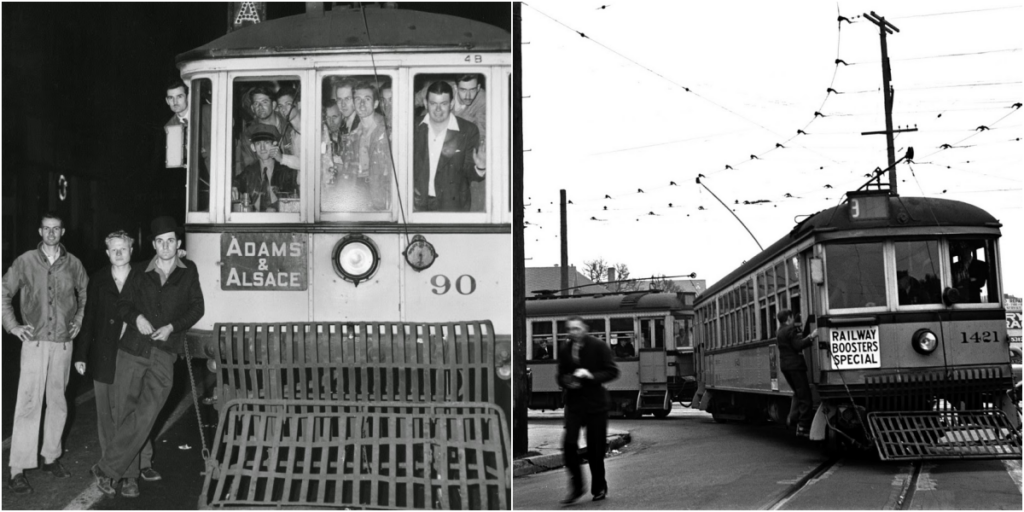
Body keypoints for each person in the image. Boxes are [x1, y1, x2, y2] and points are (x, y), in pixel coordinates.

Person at [92, 216, 205, 498]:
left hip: (165, 353)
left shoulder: (188, 271)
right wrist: (138, 317)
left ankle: (106, 468)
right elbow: (123, 305)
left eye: (170, 240)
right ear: (154, 244)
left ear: (177, 244)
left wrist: (172, 327)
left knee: (146, 414)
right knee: (127, 413)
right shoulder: (140, 271)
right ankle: (128, 476)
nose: (165, 246)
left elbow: (197, 307)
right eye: (160, 241)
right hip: (133, 350)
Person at [2, 212, 88, 494]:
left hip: (63, 343)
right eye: (46, 228)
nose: (51, 233)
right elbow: (3, 291)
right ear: (40, 231)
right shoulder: (25, 261)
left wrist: (78, 320)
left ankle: (51, 457)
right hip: (35, 342)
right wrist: (13, 326)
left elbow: (86, 294)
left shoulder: (73, 264)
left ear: (62, 232)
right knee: (29, 403)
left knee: (58, 402)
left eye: (56, 229)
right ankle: (17, 469)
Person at [73, 231, 161, 495]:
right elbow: (88, 319)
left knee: (132, 413)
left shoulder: (144, 276)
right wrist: (80, 354)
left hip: (134, 354)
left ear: (132, 251)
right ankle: (113, 469)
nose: (119, 253)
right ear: (107, 253)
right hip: (104, 355)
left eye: (123, 248)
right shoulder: (98, 279)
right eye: (114, 250)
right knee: (106, 417)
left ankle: (134, 470)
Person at [557, 317, 619, 504]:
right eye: (570, 329)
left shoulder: (598, 346)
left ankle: (599, 486)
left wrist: (590, 375)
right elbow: (559, 375)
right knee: (568, 444)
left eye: (577, 328)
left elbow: (612, 371)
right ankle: (577, 486)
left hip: (596, 405)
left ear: (585, 328)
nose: (573, 332)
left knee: (595, 450)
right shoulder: (565, 349)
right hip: (575, 405)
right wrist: (566, 381)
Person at [413, 81, 486, 212]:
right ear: (425, 103)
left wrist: (480, 167)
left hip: (452, 207)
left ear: (451, 104)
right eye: (433, 103)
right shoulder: (413, 127)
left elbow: (469, 173)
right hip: (417, 206)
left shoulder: (468, 130)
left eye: (444, 104)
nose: (438, 109)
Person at [234, 125, 300, 212]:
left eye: (266, 142)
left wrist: (276, 207)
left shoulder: (286, 172)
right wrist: (233, 187)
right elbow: (236, 182)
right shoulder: (249, 172)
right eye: (258, 143)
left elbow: (295, 199)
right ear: (253, 147)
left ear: (275, 144)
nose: (262, 148)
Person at [776, 309, 818, 438]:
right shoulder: (790, 330)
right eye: (792, 317)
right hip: (795, 367)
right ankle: (803, 426)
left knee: (798, 394)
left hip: (785, 367)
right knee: (805, 397)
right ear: (789, 318)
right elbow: (798, 346)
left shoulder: (779, 331)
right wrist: (812, 336)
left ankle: (793, 418)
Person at [234, 86, 289, 177]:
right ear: (252, 108)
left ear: (274, 105)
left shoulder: (288, 124)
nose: (260, 106)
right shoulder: (249, 133)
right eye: (256, 103)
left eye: (264, 102)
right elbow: (248, 165)